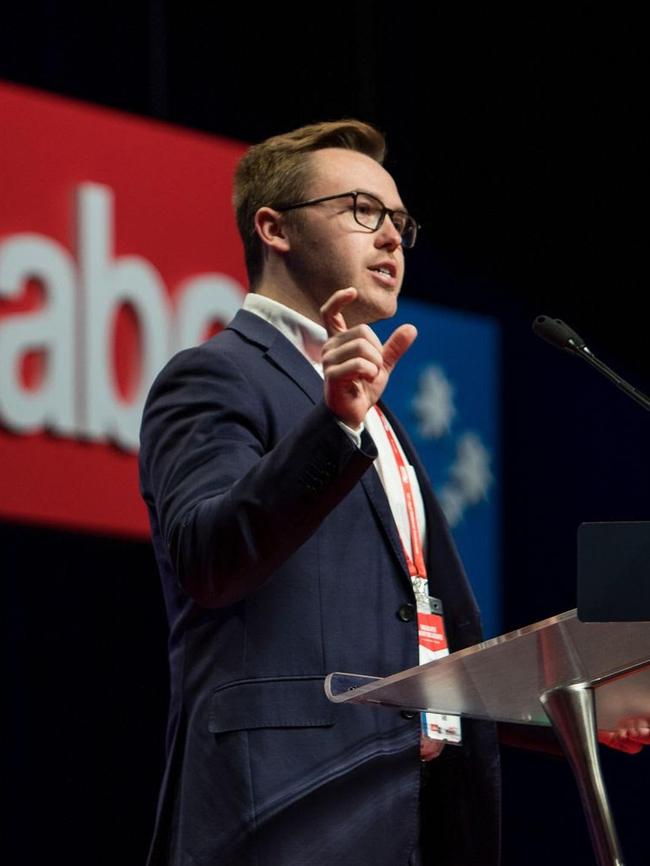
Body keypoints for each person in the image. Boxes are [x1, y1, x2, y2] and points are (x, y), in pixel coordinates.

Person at [139, 119, 649, 866]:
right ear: (274, 228)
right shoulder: (215, 375)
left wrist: (570, 709)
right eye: (362, 210)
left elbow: (410, 653)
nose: (392, 240)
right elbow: (207, 556)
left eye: (401, 223)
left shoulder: (374, 415)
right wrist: (333, 428)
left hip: (415, 814)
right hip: (288, 812)